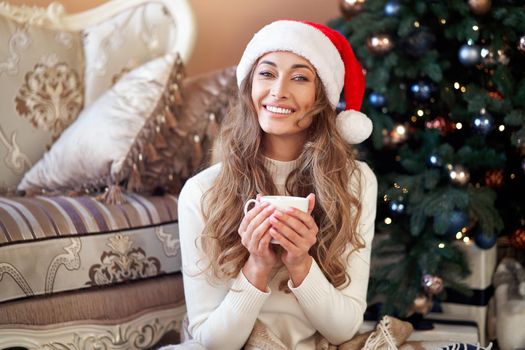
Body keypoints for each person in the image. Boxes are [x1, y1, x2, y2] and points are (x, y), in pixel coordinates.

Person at [176, 20, 377, 350]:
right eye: (267, 73)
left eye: (299, 77)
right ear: (249, 86)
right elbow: (212, 342)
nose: (278, 90)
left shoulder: (355, 182)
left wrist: (300, 264)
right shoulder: (201, 192)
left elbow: (344, 330)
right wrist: (256, 267)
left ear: (322, 95)